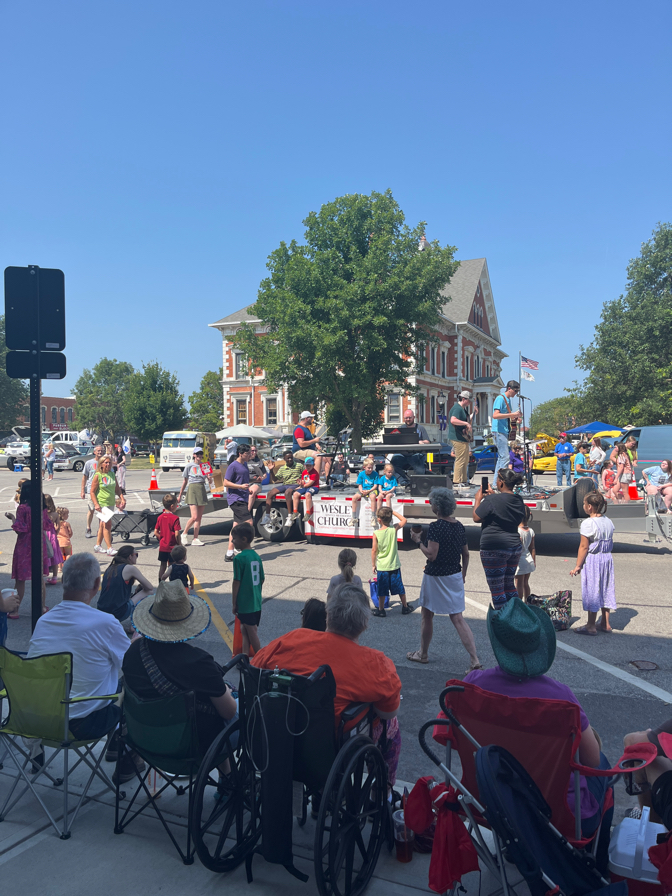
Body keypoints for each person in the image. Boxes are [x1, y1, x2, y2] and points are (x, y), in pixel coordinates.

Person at [465, 597, 612, 866]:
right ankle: (596, 869)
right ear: (539, 646)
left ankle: (515, 846)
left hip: (491, 802)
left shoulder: (472, 686)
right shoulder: (561, 699)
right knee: (604, 766)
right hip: (560, 815)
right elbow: (591, 762)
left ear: (497, 644)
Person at [252, 584, 402, 786]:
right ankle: (382, 791)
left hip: (276, 736)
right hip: (329, 750)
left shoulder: (292, 639)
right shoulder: (376, 663)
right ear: (365, 623)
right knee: (390, 727)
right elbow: (387, 713)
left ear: (328, 616)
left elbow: (255, 668)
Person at [124, 580, 238, 758]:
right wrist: (228, 692)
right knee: (246, 713)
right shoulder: (199, 663)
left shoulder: (132, 652)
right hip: (190, 748)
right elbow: (229, 711)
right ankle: (232, 780)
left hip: (145, 740)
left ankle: (227, 775)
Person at [27, 552, 130, 745]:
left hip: (37, 723)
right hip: (81, 726)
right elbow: (130, 664)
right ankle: (122, 755)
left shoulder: (44, 621)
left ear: (64, 580)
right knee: (130, 685)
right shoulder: (106, 623)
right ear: (97, 584)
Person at [407, 487, 480, 670]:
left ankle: (423, 654)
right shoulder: (459, 526)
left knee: (427, 614)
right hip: (454, 574)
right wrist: (463, 574)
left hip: (435, 576)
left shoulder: (436, 527)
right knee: (457, 617)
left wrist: (418, 541)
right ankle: (474, 660)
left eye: (432, 502)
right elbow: (466, 554)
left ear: (437, 507)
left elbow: (431, 555)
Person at [473, 469, 526, 609]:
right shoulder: (518, 500)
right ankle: (517, 615)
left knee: (497, 590)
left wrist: (478, 499)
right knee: (509, 586)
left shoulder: (491, 500)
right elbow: (504, 503)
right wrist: (493, 496)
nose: (495, 482)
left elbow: (476, 517)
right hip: (514, 547)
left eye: (497, 479)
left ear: (501, 482)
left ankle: (504, 622)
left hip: (494, 548)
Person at [570, 492, 615, 635]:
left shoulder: (588, 523)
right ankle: (605, 623)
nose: (583, 506)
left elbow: (584, 547)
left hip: (594, 560)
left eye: (584, 504)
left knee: (593, 589)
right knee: (605, 588)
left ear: (589, 507)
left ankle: (591, 625)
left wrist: (578, 565)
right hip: (607, 559)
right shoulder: (608, 520)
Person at [5, 480, 49, 617]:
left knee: (20, 579)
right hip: (39, 542)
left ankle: (15, 610)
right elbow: (46, 525)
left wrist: (12, 518)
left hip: (24, 544)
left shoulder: (22, 508)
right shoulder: (41, 508)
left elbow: (20, 530)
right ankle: (41, 607)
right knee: (39, 576)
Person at [98, 545, 154, 631]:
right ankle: (134, 626)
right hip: (118, 612)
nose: (137, 557)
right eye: (136, 554)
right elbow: (149, 587)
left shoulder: (110, 568)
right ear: (130, 556)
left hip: (102, 611)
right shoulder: (130, 568)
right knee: (149, 592)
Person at [371, 507, 413, 618]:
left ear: (379, 520)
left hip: (382, 566)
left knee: (382, 589)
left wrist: (373, 564)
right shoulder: (393, 529)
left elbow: (374, 550)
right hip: (394, 565)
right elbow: (404, 520)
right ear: (390, 518)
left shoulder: (376, 533)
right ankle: (405, 606)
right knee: (399, 586)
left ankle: (381, 609)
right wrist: (392, 511)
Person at [231, 522, 264, 656]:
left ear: (243, 539)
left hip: (246, 602)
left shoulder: (239, 558)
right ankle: (244, 656)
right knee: (244, 629)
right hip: (256, 600)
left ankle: (261, 658)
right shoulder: (256, 556)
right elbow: (262, 579)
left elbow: (236, 582)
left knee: (251, 631)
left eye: (234, 539)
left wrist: (234, 603)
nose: (232, 541)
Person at [177, 446, 214, 546]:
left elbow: (210, 481)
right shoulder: (189, 466)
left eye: (201, 454)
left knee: (199, 517)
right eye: (197, 454)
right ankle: (184, 533)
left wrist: (210, 478)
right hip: (192, 488)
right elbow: (185, 481)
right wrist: (180, 495)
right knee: (194, 516)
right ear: (194, 455)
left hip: (201, 488)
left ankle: (195, 538)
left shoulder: (205, 465)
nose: (199, 456)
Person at [223, 443, 253, 562]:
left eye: (250, 452)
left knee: (236, 525)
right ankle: (245, 548)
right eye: (247, 453)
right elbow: (226, 483)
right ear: (240, 454)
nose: (250, 455)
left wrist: (250, 485)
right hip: (235, 499)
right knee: (249, 523)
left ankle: (229, 553)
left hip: (243, 497)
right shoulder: (233, 466)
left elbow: (243, 479)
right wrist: (240, 486)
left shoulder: (245, 464)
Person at [91, 455, 125, 556]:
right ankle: (109, 548)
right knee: (107, 524)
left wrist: (122, 498)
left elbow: (117, 489)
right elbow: (92, 492)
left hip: (110, 502)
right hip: (102, 503)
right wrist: (96, 504)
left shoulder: (111, 473)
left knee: (102, 524)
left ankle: (97, 545)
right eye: (106, 462)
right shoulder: (98, 475)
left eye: (109, 462)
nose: (108, 464)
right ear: (101, 464)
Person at [261, 449, 304, 526]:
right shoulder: (282, 468)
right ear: (284, 459)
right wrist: (271, 470)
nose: (290, 459)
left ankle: (290, 516)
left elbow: (305, 474)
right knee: (270, 493)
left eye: (291, 458)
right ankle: (267, 516)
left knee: (288, 492)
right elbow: (275, 479)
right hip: (285, 484)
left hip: (295, 484)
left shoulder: (299, 466)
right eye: (288, 458)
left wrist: (302, 484)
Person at [492, 381, 522, 484]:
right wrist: (512, 414)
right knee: (505, 457)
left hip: (504, 430)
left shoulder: (508, 400)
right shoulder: (500, 398)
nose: (516, 393)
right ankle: (501, 482)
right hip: (498, 431)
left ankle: (496, 483)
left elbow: (508, 416)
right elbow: (495, 415)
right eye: (515, 390)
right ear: (509, 388)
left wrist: (516, 418)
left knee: (501, 459)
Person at [390, 409, 431, 481]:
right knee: (392, 464)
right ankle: (404, 481)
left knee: (420, 469)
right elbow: (392, 439)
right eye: (406, 418)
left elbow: (428, 441)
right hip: (402, 454)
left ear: (414, 417)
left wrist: (421, 442)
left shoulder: (420, 428)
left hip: (416, 454)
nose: (408, 419)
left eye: (410, 417)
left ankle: (418, 483)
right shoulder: (400, 429)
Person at [293, 411, 330, 480]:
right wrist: (314, 441)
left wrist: (316, 443)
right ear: (306, 418)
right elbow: (301, 443)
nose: (312, 419)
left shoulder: (306, 429)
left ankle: (328, 479)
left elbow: (310, 439)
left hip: (308, 450)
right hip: (299, 451)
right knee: (318, 456)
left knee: (328, 458)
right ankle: (316, 479)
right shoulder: (299, 429)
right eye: (311, 418)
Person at [154, 493, 182, 581]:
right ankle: (172, 581)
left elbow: (156, 532)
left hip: (163, 546)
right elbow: (177, 534)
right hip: (172, 547)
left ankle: (161, 581)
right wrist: (179, 543)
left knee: (162, 565)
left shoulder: (160, 517)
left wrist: (162, 538)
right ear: (172, 506)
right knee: (172, 566)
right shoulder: (175, 518)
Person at [447, 391, 472, 486]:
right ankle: (457, 481)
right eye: (468, 400)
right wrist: (466, 424)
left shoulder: (462, 409)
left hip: (463, 437)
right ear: (464, 399)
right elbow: (453, 420)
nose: (469, 403)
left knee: (465, 459)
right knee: (460, 459)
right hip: (457, 437)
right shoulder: (457, 408)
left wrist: (474, 414)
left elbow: (466, 419)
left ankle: (464, 480)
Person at [81, 444, 104, 538]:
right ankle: (88, 527)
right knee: (91, 509)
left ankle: (100, 529)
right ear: (94, 452)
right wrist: (82, 490)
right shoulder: (89, 463)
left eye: (101, 450)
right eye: (98, 450)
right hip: (91, 490)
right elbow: (84, 477)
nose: (100, 452)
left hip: (102, 490)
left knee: (101, 511)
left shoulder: (105, 462)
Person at [514, 506, 536, 601]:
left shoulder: (517, 531)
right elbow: (532, 548)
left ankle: (518, 603)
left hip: (520, 560)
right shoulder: (531, 531)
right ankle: (527, 602)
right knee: (525, 583)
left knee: (518, 584)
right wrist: (534, 561)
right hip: (529, 559)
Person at [290, 455, 320, 522]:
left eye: (309, 465)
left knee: (307, 494)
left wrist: (302, 486)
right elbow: (304, 481)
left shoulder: (314, 473)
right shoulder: (304, 472)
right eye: (306, 465)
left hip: (314, 487)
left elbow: (310, 483)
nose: (308, 467)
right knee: (295, 494)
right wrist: (300, 483)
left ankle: (308, 512)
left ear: (313, 465)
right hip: (305, 486)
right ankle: (295, 511)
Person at [350, 460, 379, 526]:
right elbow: (359, 484)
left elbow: (375, 485)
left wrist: (369, 491)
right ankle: (354, 517)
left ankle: (373, 517)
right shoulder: (361, 474)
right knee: (354, 498)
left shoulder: (375, 474)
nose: (370, 469)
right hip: (363, 489)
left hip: (371, 489)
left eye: (372, 468)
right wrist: (361, 491)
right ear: (364, 467)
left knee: (373, 497)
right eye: (369, 468)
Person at [43, 493, 64, 584]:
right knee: (54, 554)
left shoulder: (42, 513)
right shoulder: (55, 514)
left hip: (44, 534)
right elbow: (58, 526)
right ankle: (55, 577)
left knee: (44, 554)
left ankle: (44, 573)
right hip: (52, 535)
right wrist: (55, 533)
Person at [246, 445, 268, 511]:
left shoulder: (259, 461)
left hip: (256, 483)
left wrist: (262, 477)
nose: (254, 452)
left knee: (252, 492)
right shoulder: (245, 461)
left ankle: (247, 512)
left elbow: (265, 474)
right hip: (246, 482)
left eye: (255, 450)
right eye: (253, 451)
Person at [56, 506, 73, 574]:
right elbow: (70, 532)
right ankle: (66, 565)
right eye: (67, 514)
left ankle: (60, 568)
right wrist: (69, 536)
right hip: (66, 541)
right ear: (63, 515)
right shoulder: (66, 524)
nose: (68, 516)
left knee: (60, 554)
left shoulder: (56, 523)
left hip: (58, 541)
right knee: (68, 554)